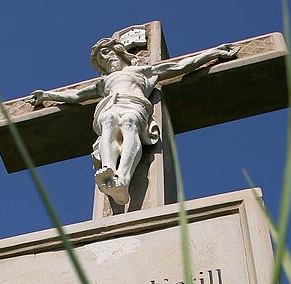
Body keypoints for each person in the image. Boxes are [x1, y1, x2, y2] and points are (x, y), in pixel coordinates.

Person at [32, 37, 238, 205]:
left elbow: (179, 66)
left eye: (107, 54)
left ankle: (123, 179)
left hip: (134, 106)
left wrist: (213, 53)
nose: (106, 60)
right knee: (109, 121)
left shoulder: (140, 71)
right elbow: (75, 96)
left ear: (119, 52)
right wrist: (48, 95)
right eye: (102, 60)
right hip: (110, 107)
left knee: (130, 122)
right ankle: (109, 171)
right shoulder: (104, 82)